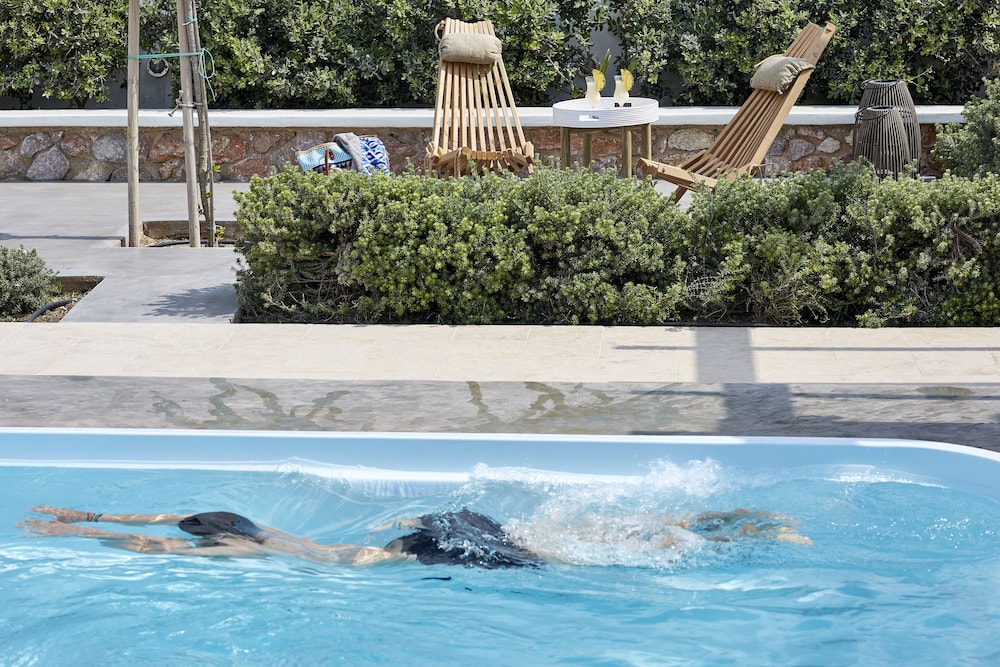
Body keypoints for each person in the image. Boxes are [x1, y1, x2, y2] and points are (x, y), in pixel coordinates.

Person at [19, 505, 809, 569]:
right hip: (440, 529)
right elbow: (163, 522)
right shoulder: (238, 525)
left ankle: (727, 532)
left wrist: (76, 533)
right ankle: (732, 523)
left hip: (417, 552)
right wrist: (80, 518)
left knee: (569, 555)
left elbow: (156, 538)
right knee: (570, 538)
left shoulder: (237, 548)